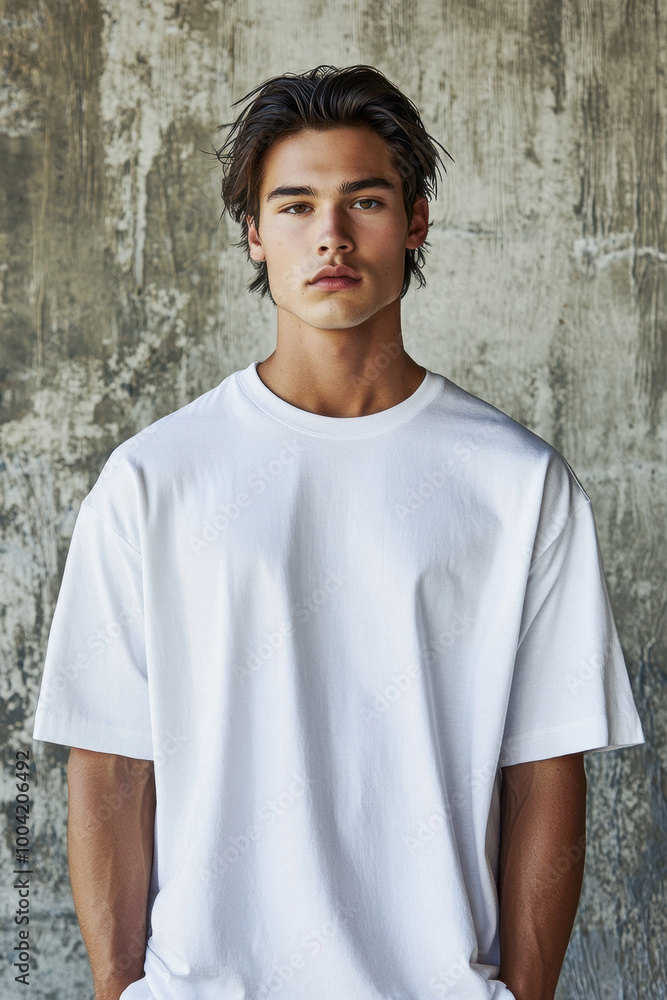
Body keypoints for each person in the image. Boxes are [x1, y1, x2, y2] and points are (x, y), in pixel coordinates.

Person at [32, 64, 645, 1000]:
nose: (329, 235)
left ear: (415, 221)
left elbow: (544, 776)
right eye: (293, 205)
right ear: (253, 232)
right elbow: (111, 768)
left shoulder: (519, 486)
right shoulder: (153, 481)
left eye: (363, 199)